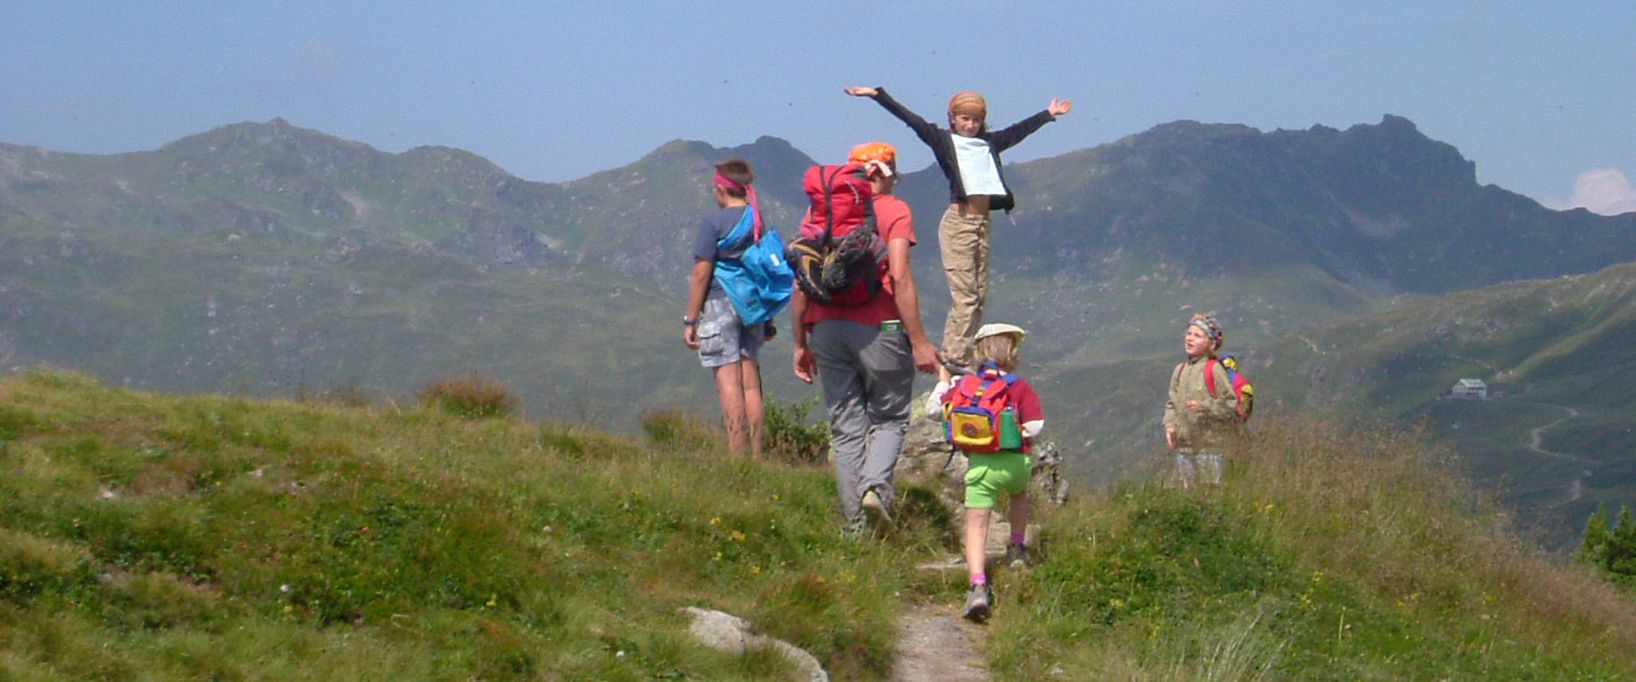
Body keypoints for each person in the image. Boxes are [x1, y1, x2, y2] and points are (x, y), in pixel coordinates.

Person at [844, 85, 1071, 378]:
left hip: (981, 224)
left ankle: (960, 354)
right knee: (965, 295)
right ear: (953, 118)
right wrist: (878, 95)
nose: (970, 125)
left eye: (975, 120)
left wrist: (1048, 114)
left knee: (978, 295)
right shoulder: (944, 141)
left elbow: (1018, 131)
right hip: (959, 223)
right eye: (964, 119)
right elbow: (912, 121)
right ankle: (954, 357)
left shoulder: (987, 143)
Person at [792, 142, 940, 539]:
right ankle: (875, 487)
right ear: (888, 172)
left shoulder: (818, 214)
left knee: (846, 429)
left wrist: (801, 343)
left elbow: (801, 284)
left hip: (825, 328)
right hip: (883, 328)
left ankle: (855, 528)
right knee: (889, 417)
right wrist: (920, 341)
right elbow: (900, 276)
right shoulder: (894, 210)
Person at [926, 323, 1044, 623]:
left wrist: (943, 381)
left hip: (980, 465)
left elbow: (931, 411)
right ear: (1011, 351)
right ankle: (1017, 548)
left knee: (977, 527)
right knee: (1019, 495)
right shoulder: (1019, 386)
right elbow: (1035, 427)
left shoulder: (965, 386)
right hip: (1016, 462)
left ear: (979, 352)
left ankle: (978, 585)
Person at [684, 158, 771, 459]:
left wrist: (690, 319)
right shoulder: (757, 220)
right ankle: (756, 455)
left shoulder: (714, 222)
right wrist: (768, 318)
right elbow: (764, 270)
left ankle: (737, 457)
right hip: (753, 307)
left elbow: (701, 273)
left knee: (728, 384)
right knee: (750, 386)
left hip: (719, 303)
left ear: (721, 189)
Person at [1163, 313, 1240, 488]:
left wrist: (1205, 407)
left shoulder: (1214, 370)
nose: (1190, 339)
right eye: (1189, 333)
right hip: (1183, 448)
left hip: (1210, 447)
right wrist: (1169, 425)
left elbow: (1231, 404)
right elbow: (1171, 404)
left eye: (1197, 336)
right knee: (1186, 493)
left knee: (1211, 492)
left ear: (1211, 344)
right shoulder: (1179, 370)